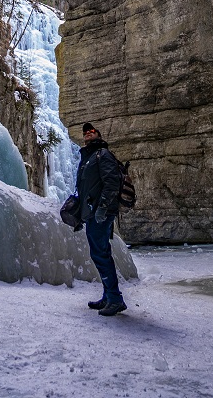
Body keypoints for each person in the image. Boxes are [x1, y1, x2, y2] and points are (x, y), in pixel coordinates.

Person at [74, 121, 126, 316]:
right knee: (101, 252)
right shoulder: (89, 157)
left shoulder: (102, 155)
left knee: (100, 254)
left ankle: (114, 298)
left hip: (101, 213)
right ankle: (108, 296)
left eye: (92, 131)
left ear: (99, 135)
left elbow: (111, 183)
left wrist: (102, 208)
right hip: (93, 213)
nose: (88, 133)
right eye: (86, 132)